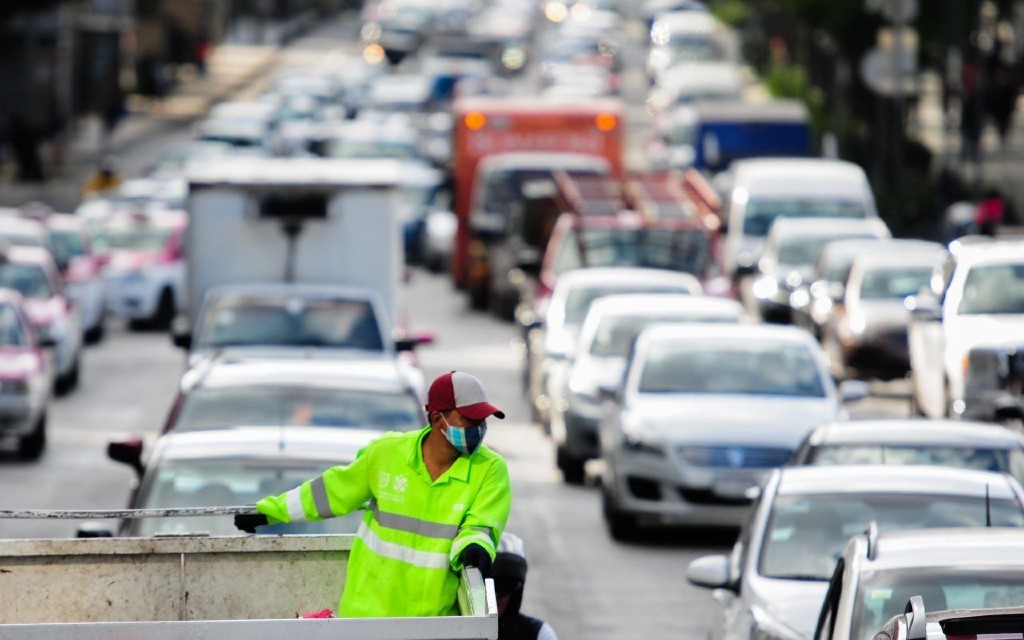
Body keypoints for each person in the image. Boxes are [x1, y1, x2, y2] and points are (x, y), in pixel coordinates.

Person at [234, 370, 512, 618]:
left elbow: (480, 526)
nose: (479, 428)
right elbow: (332, 491)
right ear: (438, 419)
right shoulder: (386, 454)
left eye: (482, 420)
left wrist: (475, 548)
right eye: (469, 419)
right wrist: (269, 512)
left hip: (431, 624)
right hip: (366, 617)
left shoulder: (490, 469)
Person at [493, 533, 559, 640]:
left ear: (516, 592)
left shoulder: (539, 634)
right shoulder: (458, 630)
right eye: (487, 586)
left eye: (506, 585)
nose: (495, 595)